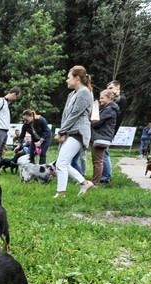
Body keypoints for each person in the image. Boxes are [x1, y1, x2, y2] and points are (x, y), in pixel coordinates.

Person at [53, 66, 95, 198]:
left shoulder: (84, 92)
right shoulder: (72, 94)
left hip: (79, 132)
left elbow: (75, 114)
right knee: (62, 162)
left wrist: (61, 131)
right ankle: (84, 182)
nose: (66, 80)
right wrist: (64, 132)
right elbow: (66, 115)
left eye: (68, 77)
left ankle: (61, 193)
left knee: (61, 163)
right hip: (70, 132)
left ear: (77, 78)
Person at [0, 86, 22, 175]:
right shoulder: (0, 101)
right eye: (16, 97)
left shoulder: (6, 103)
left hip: (4, 130)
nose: (15, 99)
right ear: (14, 94)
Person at [89, 89, 119, 186]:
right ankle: (97, 180)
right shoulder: (108, 108)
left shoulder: (109, 110)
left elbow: (96, 122)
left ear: (109, 98)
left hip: (101, 137)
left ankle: (96, 182)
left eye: (102, 98)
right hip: (101, 137)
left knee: (98, 161)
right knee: (97, 160)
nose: (100, 100)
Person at [100, 80, 126, 183]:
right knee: (103, 152)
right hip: (109, 129)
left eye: (111, 88)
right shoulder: (116, 100)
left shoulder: (121, 100)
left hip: (110, 130)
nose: (109, 91)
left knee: (104, 151)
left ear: (117, 87)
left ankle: (106, 176)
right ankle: (105, 174)